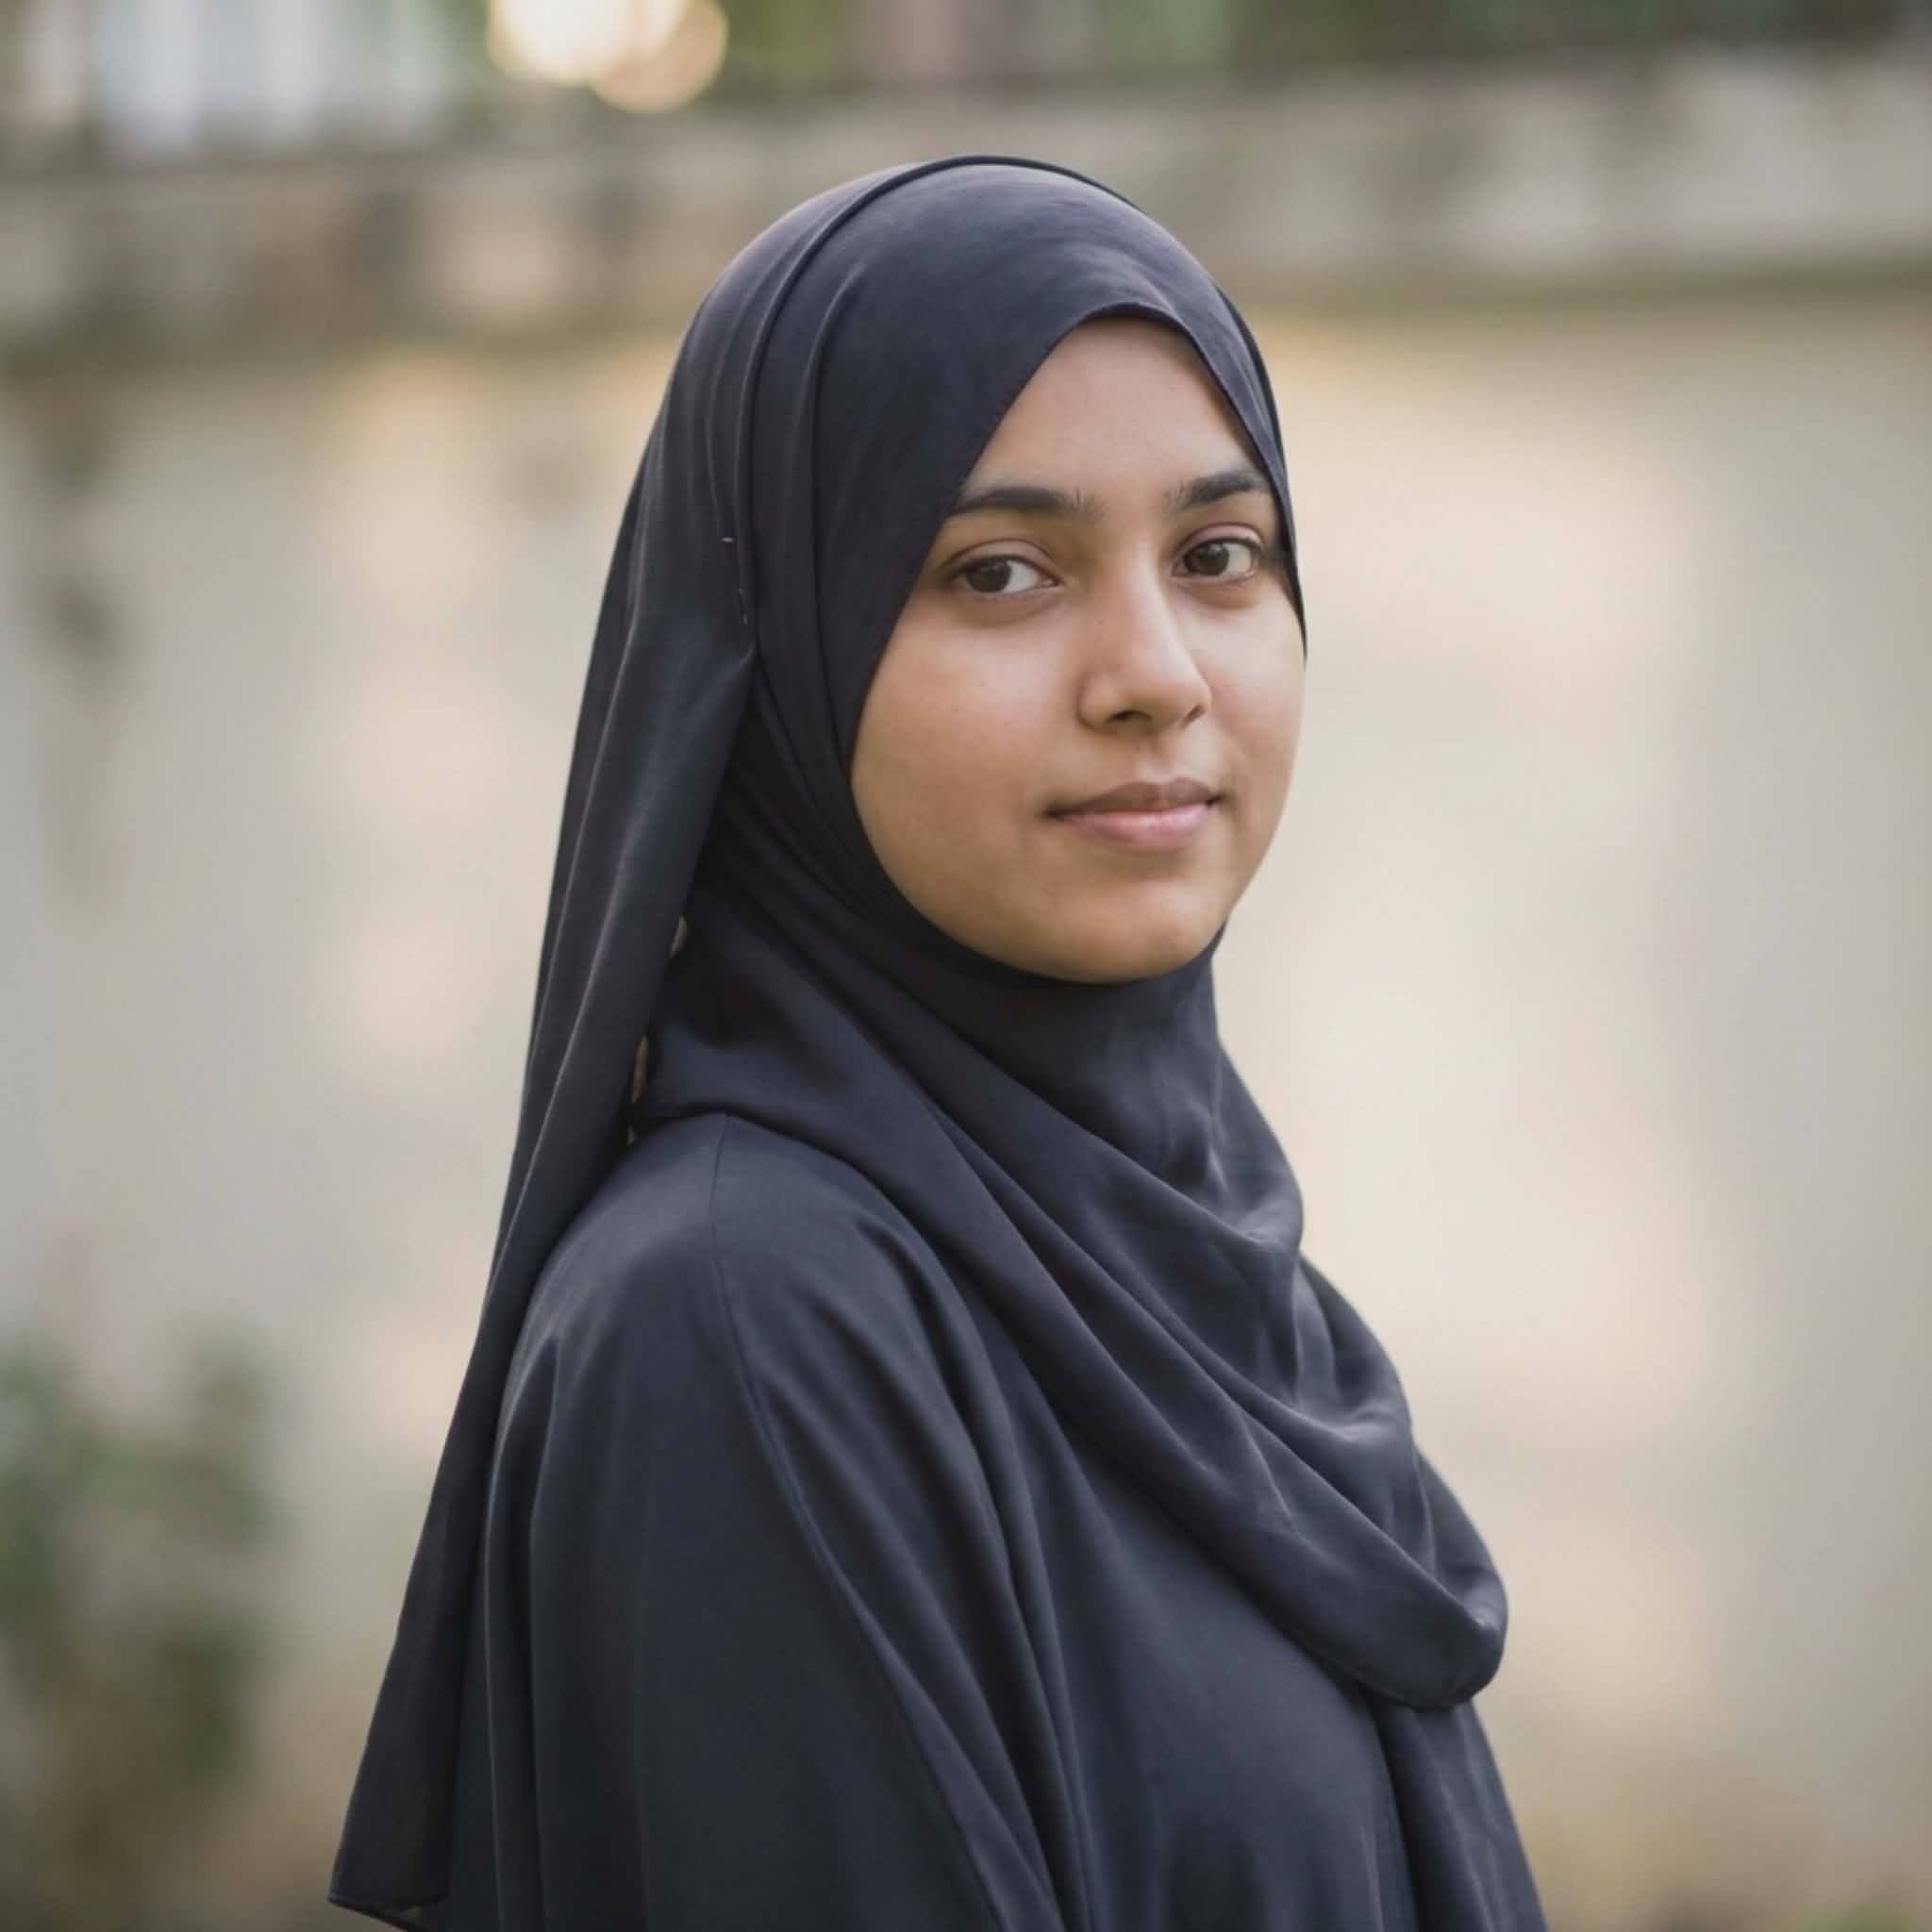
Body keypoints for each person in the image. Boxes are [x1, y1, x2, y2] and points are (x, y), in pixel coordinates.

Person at [330, 156, 1545, 1931]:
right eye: (997, 572)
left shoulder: (1160, 1242)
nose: (1153, 673)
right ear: (784, 664)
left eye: (1220, 554)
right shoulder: (752, 1323)